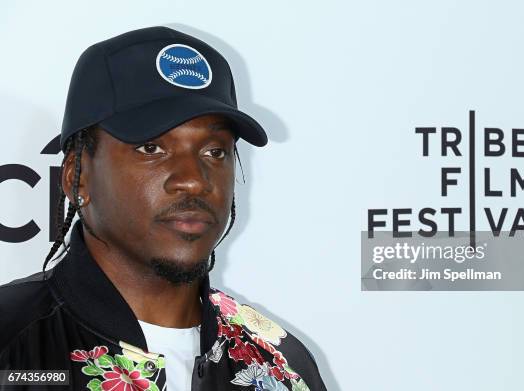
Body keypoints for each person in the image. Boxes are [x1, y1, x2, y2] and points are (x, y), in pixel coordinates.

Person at [0, 26, 326, 391]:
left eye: (214, 152)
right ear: (78, 177)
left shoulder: (283, 366)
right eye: (151, 148)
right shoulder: (11, 345)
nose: (194, 180)